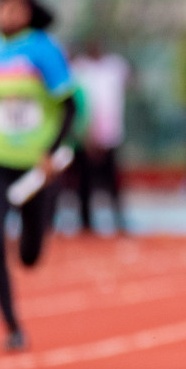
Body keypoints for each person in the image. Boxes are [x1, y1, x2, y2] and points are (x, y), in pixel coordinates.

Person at [0, 0, 77, 352]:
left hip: (36, 167)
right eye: (3, 6)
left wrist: (51, 151)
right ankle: (12, 326)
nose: (9, 13)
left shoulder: (44, 49)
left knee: (29, 254)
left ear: (29, 12)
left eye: (17, 7)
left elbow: (69, 106)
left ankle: (35, 236)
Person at [71, 42, 130, 234]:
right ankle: (86, 222)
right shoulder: (79, 70)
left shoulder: (114, 67)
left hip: (110, 136)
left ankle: (118, 220)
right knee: (84, 182)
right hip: (85, 137)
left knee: (113, 182)